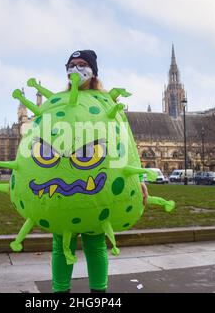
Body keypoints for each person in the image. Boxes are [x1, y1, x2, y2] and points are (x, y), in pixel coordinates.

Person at [51, 50, 148, 293]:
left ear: (93, 70)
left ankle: (99, 294)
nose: (76, 69)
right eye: (71, 65)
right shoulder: (59, 101)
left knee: (95, 244)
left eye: (82, 64)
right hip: (63, 181)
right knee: (62, 244)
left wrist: (140, 179)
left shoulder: (107, 102)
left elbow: (124, 143)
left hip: (97, 183)